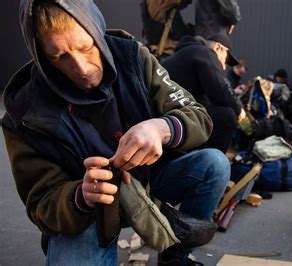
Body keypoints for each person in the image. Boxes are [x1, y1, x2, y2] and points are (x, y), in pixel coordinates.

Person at [2, 0, 230, 265]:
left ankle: (175, 258)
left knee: (214, 164)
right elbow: (41, 204)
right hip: (89, 214)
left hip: (148, 184)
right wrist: (81, 195)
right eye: (59, 57)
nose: (82, 68)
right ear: (41, 56)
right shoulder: (25, 114)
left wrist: (162, 128)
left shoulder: (133, 57)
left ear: (97, 30)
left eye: (86, 47)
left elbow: (198, 115)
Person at [162, 33, 246, 153]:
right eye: (225, 60)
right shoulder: (205, 52)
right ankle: (208, 165)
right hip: (172, 113)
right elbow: (220, 90)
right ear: (218, 48)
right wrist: (239, 110)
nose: (223, 67)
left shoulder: (187, 52)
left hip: (168, 110)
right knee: (227, 116)